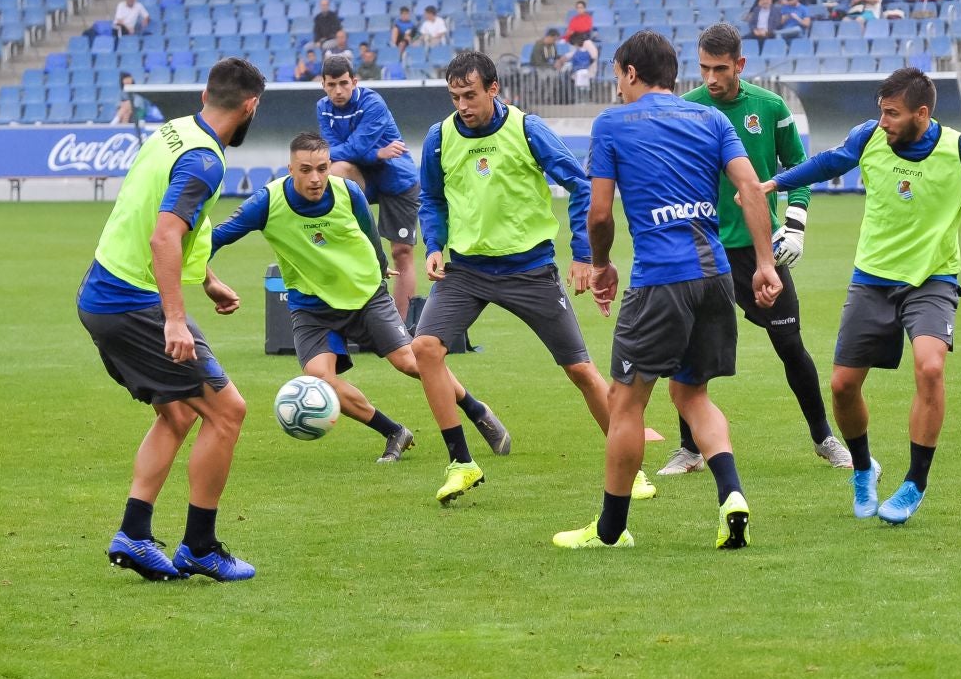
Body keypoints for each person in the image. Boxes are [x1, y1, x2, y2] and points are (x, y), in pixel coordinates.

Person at [762, 67, 961, 525]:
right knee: (843, 386)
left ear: (921, 114)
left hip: (932, 280)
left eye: (893, 113)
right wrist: (774, 184)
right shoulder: (868, 136)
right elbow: (831, 161)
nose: (883, 121)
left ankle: (914, 484)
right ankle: (864, 468)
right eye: (881, 112)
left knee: (930, 367)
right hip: (870, 279)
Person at [553, 30, 781, 550]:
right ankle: (731, 497)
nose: (616, 86)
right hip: (716, 276)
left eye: (617, 75)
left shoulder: (611, 125)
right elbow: (750, 188)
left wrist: (603, 263)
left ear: (631, 72)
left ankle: (609, 532)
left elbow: (600, 212)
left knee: (627, 401)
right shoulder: (712, 119)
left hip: (660, 279)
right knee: (690, 392)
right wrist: (764, 264)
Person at [412, 52, 654, 505]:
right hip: (466, 270)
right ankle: (461, 463)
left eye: (470, 95)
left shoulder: (527, 129)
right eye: (455, 97)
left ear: (493, 88)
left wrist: (583, 255)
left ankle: (632, 471)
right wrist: (433, 245)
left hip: (530, 270)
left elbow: (582, 185)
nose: (462, 105)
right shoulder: (439, 138)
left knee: (580, 369)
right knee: (424, 348)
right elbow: (431, 199)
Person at [77, 58, 266, 582]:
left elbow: (166, 222)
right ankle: (200, 547)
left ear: (205, 94)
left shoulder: (175, 131)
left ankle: (134, 535)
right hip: (130, 302)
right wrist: (176, 321)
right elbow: (163, 234)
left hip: (104, 292)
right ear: (251, 106)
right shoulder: (206, 160)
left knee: (179, 414)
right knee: (227, 412)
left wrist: (204, 275)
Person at [211, 132, 504, 463]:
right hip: (311, 307)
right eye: (305, 169)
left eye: (322, 168)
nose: (316, 178)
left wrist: (379, 269)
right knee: (320, 379)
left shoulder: (348, 192)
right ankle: (394, 431)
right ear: (290, 169)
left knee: (410, 362)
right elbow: (216, 238)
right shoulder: (267, 202)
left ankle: (476, 410)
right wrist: (205, 277)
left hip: (365, 296)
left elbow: (369, 233)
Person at [653, 22, 851, 477]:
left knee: (790, 344)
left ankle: (824, 438)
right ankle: (689, 450)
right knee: (691, 351)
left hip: (759, 253)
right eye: (704, 68)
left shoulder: (770, 107)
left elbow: (799, 171)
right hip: (703, 251)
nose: (711, 78)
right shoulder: (686, 110)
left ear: (740, 64)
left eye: (720, 68)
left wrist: (795, 227)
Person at [315, 56, 423, 323]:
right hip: (364, 177)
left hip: (397, 180)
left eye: (343, 83)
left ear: (354, 81)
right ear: (323, 85)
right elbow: (332, 154)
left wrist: (360, 151)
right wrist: (377, 152)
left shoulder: (372, 103)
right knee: (336, 170)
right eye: (331, 85)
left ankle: (401, 326)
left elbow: (354, 148)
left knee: (401, 252)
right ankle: (338, 237)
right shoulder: (323, 108)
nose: (338, 91)